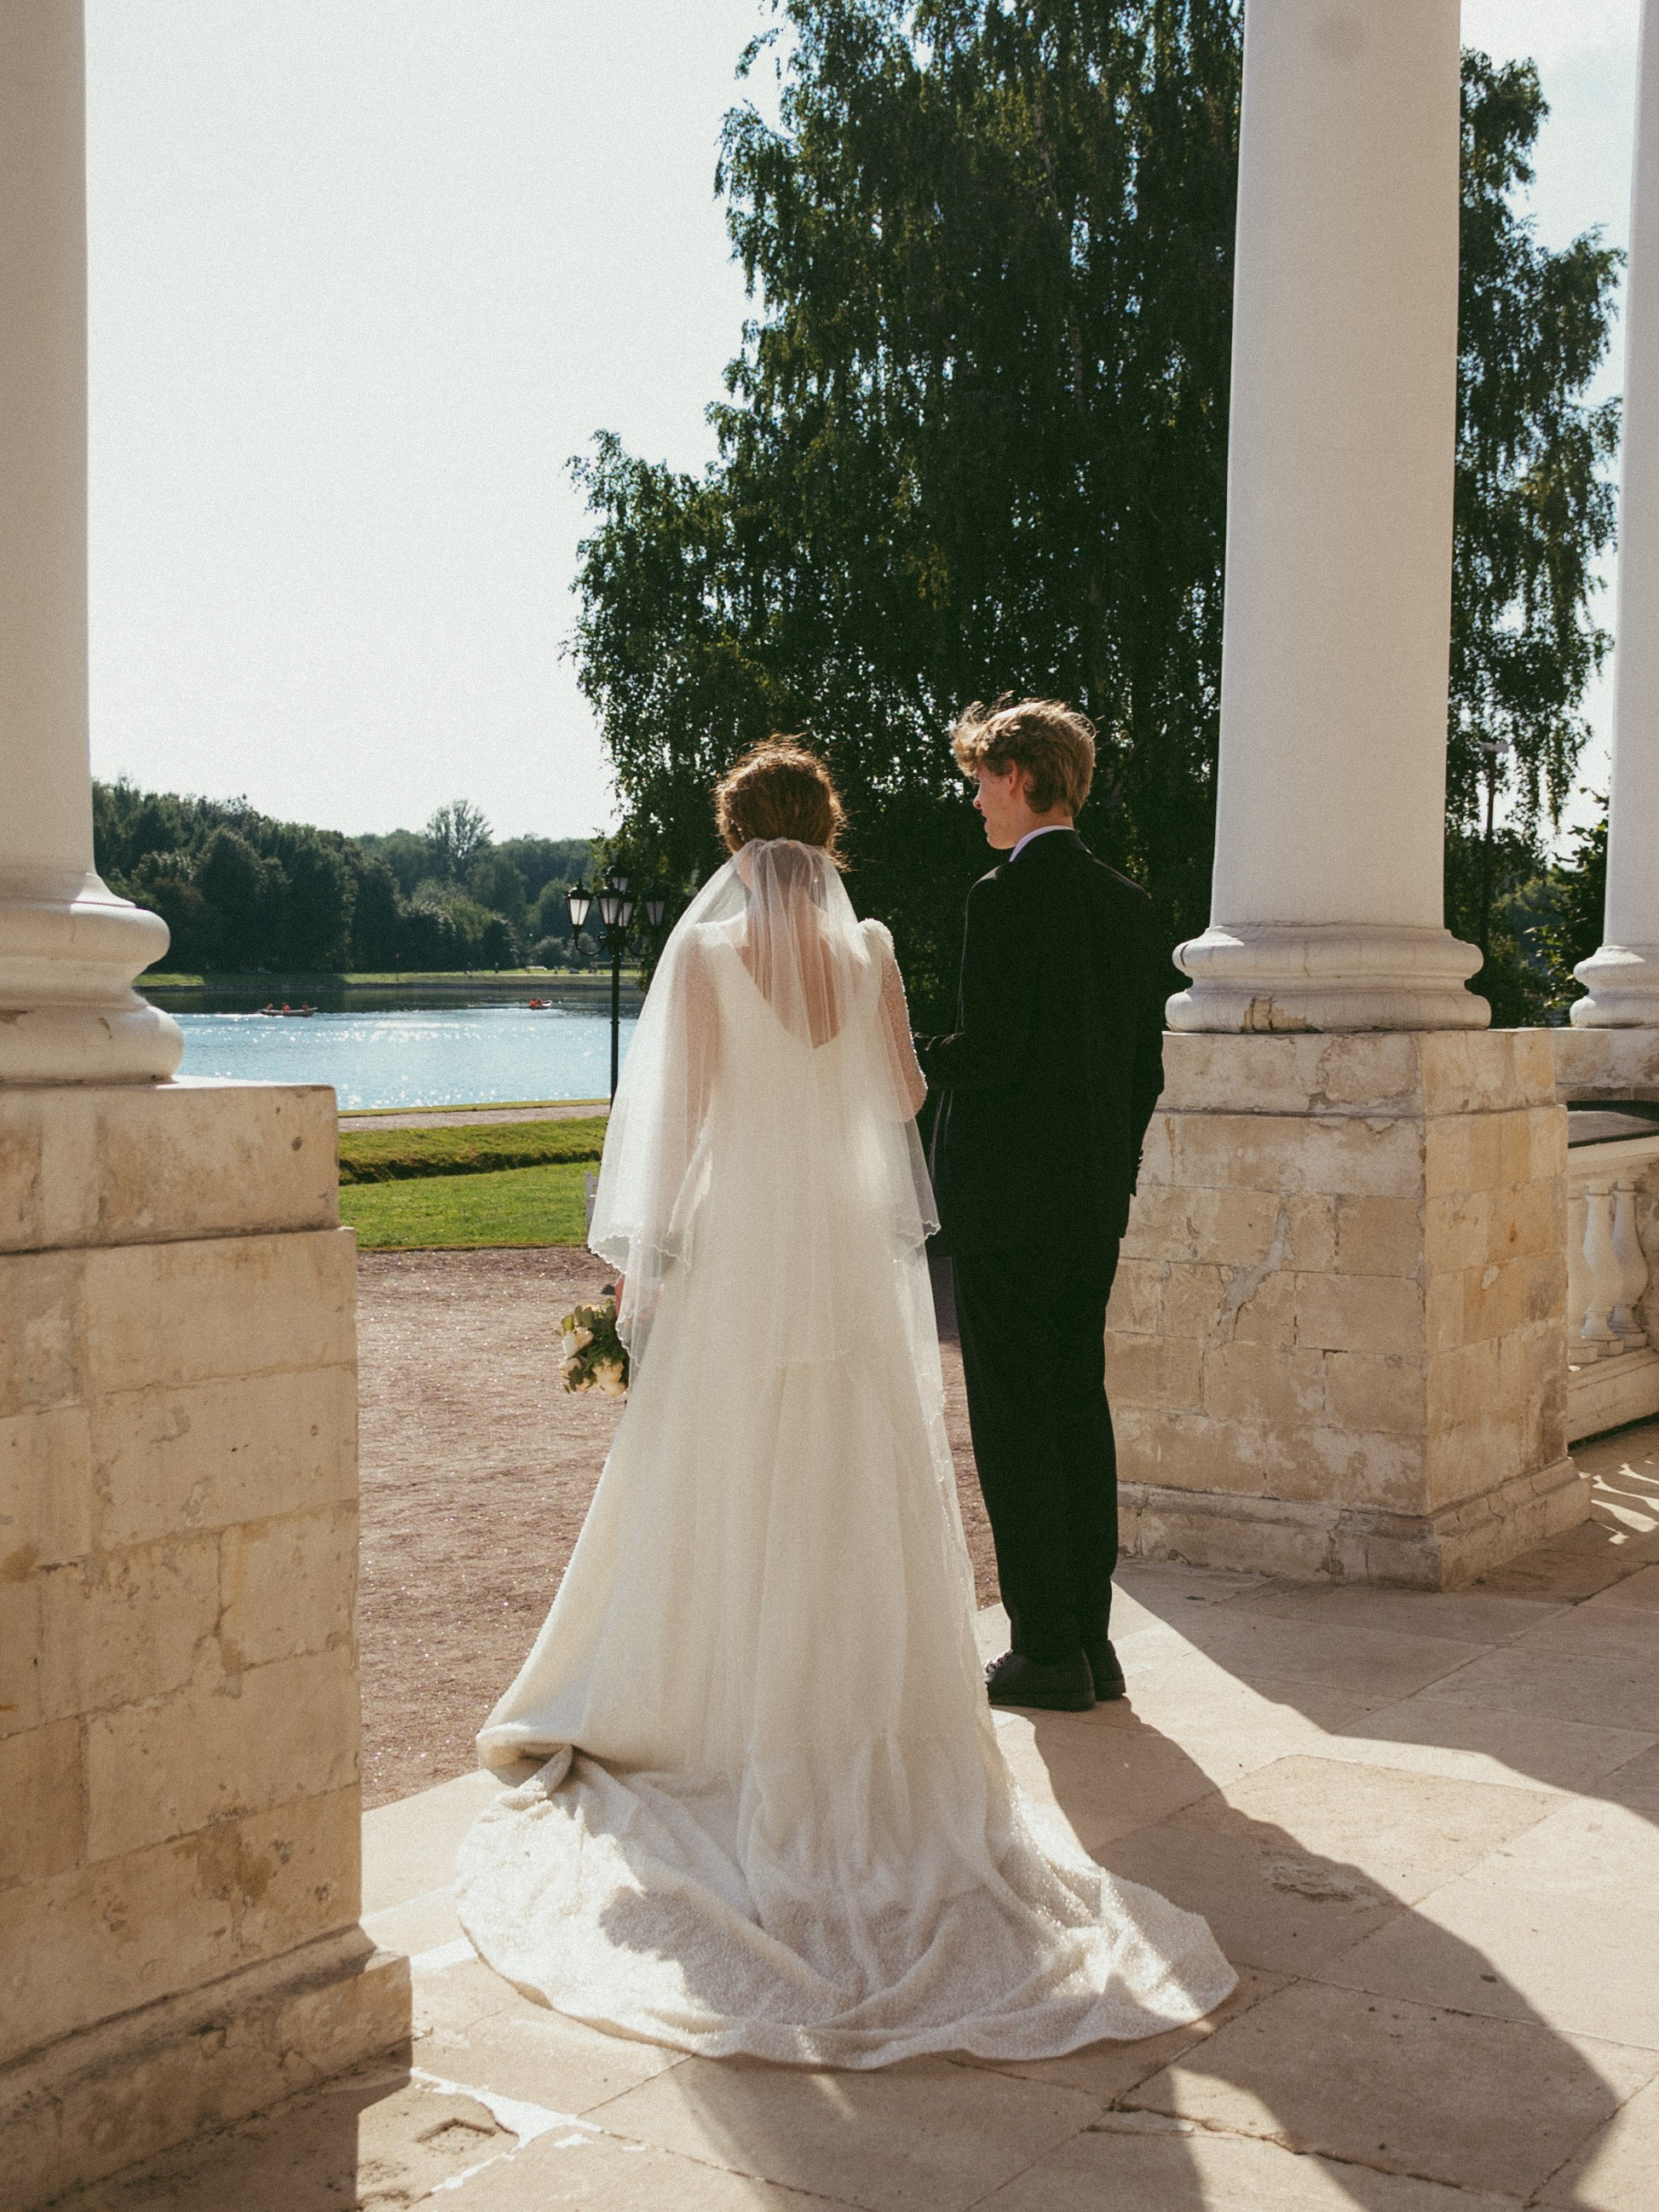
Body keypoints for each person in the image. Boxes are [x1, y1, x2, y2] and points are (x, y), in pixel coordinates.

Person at [455, 738, 1232, 2068]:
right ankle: (869, 1705)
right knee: (853, 1478)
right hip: (840, 1254)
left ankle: (719, 1706)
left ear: (732, 836)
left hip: (748, 1245)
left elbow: (682, 1125)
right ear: (826, 832)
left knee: (724, 1469)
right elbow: (907, 1095)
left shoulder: (702, 960)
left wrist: (650, 1273)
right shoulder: (869, 947)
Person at [915, 698, 1167, 1715]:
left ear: (1019, 774)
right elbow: (1145, 1069)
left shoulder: (1001, 899)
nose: (975, 798)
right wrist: (1108, 1164)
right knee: (1076, 1406)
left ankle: (1045, 1649)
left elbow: (996, 1052)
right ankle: (1093, 1643)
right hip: (1092, 1203)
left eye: (982, 778)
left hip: (1008, 1207)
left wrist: (910, 1047)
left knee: (1015, 1423)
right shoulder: (1129, 904)